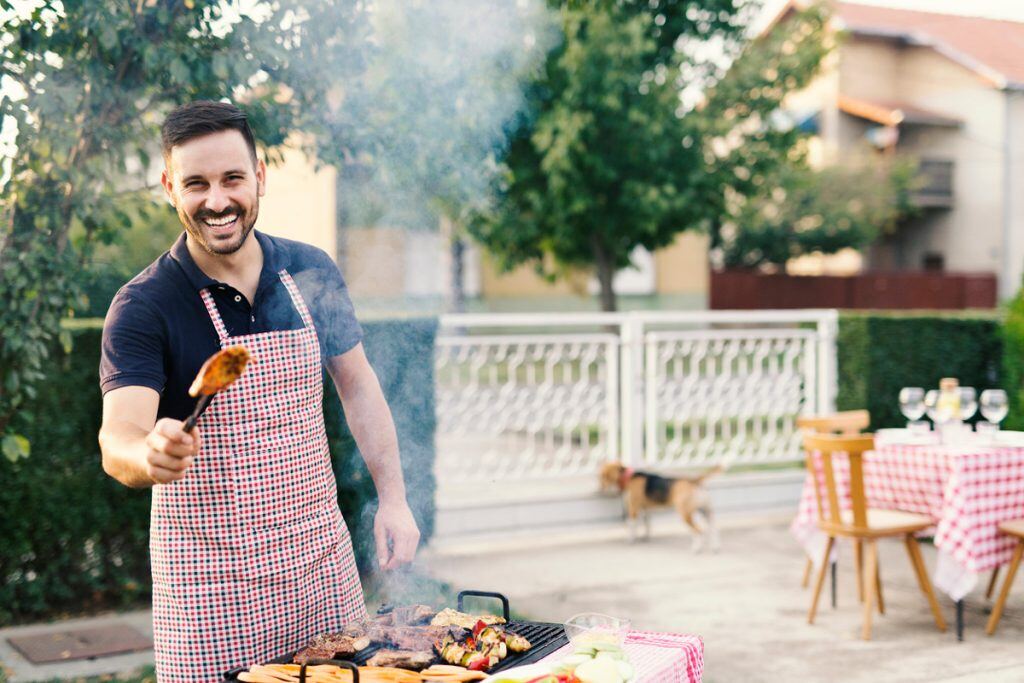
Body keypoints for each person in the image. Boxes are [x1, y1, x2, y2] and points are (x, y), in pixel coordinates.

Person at [97, 100, 420, 681]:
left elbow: (358, 384)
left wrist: (392, 497)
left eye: (231, 179)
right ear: (170, 186)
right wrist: (147, 453)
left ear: (260, 178)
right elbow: (118, 435)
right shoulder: (145, 304)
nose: (216, 201)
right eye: (195, 183)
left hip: (320, 572)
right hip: (210, 596)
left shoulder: (309, 270)